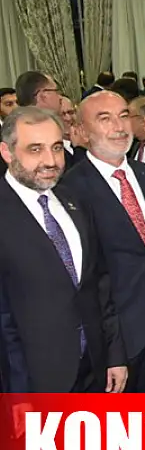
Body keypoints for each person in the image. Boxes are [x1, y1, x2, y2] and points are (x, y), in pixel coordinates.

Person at [0, 106, 128, 394]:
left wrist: (114, 355)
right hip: (34, 381)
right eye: (35, 149)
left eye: (56, 147)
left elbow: (99, 284)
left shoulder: (74, 199)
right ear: (7, 152)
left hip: (94, 369)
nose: (50, 160)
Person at [61, 92, 145, 392]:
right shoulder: (70, 191)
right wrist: (111, 351)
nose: (119, 126)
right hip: (114, 339)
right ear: (82, 130)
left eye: (124, 116)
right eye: (105, 119)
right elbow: (85, 280)